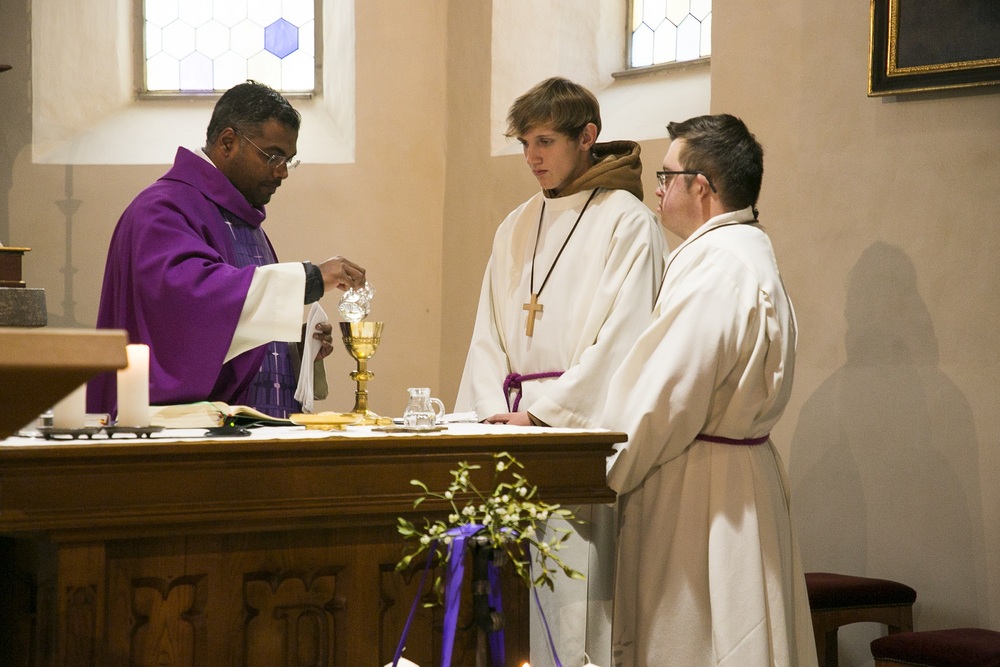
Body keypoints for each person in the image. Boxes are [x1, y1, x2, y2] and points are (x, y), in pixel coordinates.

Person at [455, 77, 667, 665]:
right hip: (507, 430)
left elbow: (623, 342)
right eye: (525, 143)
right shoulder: (515, 225)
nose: (532, 157)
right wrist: (490, 416)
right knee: (505, 605)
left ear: (587, 136)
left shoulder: (627, 222)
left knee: (572, 603)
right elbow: (487, 333)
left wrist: (544, 416)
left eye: (545, 141)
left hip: (572, 437)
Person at [599, 114, 817, 665]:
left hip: (702, 495)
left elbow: (664, 398)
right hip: (734, 480)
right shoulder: (744, 250)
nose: (657, 189)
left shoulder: (718, 268)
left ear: (701, 187)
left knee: (698, 639)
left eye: (666, 176)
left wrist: (601, 475)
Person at [88, 80, 366, 419]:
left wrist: (293, 347)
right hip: (184, 436)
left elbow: (231, 325)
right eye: (273, 156)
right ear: (228, 142)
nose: (282, 172)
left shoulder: (242, 217)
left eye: (289, 161)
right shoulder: (160, 211)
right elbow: (193, 306)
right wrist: (309, 278)